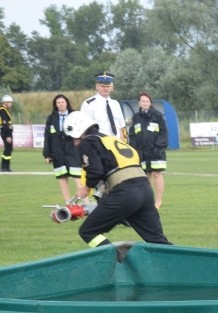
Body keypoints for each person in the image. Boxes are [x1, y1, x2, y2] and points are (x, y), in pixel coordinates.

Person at [62, 111, 172, 248]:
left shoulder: (88, 142)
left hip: (125, 193)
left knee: (87, 231)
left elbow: (96, 172)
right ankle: (179, 267)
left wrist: (85, 188)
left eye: (72, 138)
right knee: (159, 242)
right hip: (145, 190)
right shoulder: (111, 139)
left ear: (77, 130)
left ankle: (118, 260)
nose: (74, 143)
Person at [128, 92, 168, 208]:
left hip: (156, 151)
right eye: (143, 101)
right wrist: (135, 149)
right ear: (139, 103)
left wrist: (158, 146)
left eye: (147, 101)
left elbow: (163, 132)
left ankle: (159, 201)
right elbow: (132, 134)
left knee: (157, 173)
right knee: (145, 176)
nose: (145, 103)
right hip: (142, 152)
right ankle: (148, 201)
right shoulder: (136, 117)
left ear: (150, 103)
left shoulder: (158, 115)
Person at [43, 94, 85, 202]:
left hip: (73, 150)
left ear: (67, 103)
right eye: (58, 102)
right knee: (62, 177)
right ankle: (68, 202)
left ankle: (86, 201)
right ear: (55, 105)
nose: (61, 104)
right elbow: (47, 136)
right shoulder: (51, 118)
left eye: (62, 102)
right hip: (57, 152)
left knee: (77, 176)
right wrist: (47, 154)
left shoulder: (75, 115)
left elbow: (82, 132)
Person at [79, 72, 126, 140]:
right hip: (98, 145)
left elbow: (121, 127)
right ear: (97, 87)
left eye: (108, 86)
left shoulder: (116, 104)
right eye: (102, 86)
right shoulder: (88, 104)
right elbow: (84, 129)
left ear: (112, 87)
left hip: (116, 144)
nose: (105, 88)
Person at [1, 94, 13, 172]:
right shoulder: (3, 110)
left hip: (5, 131)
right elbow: (5, 123)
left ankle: (4, 166)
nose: (11, 104)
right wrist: (8, 135)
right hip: (6, 132)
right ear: (5, 102)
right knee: (8, 149)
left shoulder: (3, 110)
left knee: (8, 149)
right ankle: (5, 167)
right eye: (10, 102)